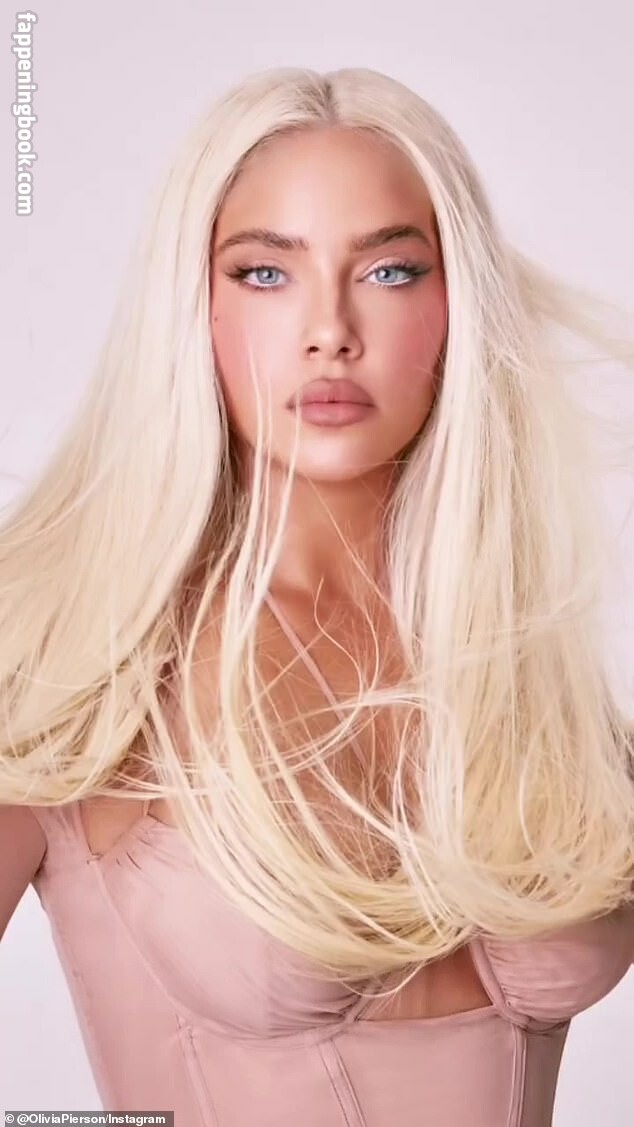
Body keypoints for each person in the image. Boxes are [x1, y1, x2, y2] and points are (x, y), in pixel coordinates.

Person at [1, 65, 633, 1125]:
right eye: (265, 272)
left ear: (456, 302)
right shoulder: (70, 646)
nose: (330, 329)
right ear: (190, 304)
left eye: (389, 271)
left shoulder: (526, 667)